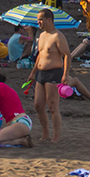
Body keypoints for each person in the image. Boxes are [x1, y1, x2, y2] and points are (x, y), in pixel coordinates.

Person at [29, 8, 69, 143]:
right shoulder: (41, 35)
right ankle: (45, 133)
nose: (38, 22)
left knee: (52, 106)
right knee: (38, 105)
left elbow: (67, 55)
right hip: (41, 73)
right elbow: (40, 55)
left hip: (54, 72)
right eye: (38, 20)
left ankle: (56, 136)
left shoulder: (57, 36)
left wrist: (65, 74)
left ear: (49, 20)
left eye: (40, 19)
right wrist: (33, 72)